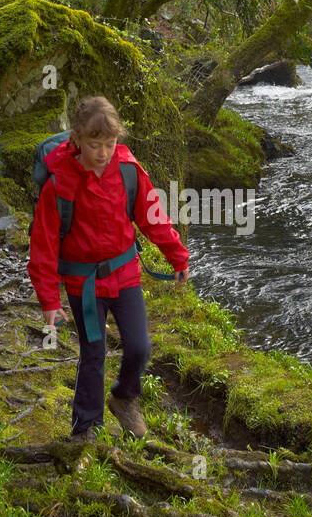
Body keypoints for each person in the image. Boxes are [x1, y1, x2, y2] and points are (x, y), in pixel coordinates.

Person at [26, 96, 190, 441]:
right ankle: (86, 427)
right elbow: (43, 246)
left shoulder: (129, 171)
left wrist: (177, 255)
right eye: (94, 144)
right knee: (93, 353)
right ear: (76, 139)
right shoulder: (59, 185)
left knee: (139, 346)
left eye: (110, 144)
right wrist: (49, 300)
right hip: (82, 282)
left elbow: (152, 217)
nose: (102, 153)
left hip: (125, 273)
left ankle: (124, 399)